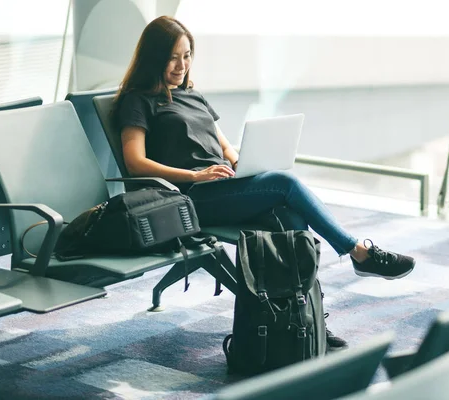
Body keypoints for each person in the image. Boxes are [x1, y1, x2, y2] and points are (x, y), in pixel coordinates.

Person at [113, 16, 416, 349]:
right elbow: (135, 162)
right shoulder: (138, 100)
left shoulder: (192, 95)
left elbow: (224, 145)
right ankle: (359, 251)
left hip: (221, 188)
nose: (181, 64)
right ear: (154, 57)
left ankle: (306, 318)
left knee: (291, 222)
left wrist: (242, 161)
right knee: (284, 184)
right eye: (173, 56)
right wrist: (195, 175)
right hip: (188, 198)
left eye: (187, 55)